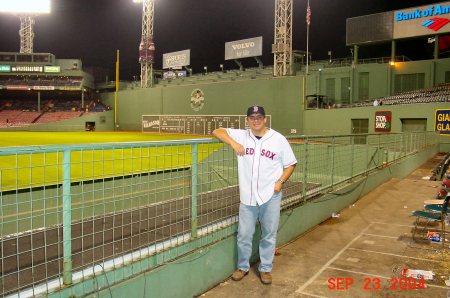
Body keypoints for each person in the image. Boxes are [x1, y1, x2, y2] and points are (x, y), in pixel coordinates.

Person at [212, 105, 297, 285]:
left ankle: (265, 269)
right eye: (252, 117)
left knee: (269, 234)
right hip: (248, 197)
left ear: (265, 119)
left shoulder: (278, 139)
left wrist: (280, 182)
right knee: (244, 234)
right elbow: (217, 131)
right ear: (247, 120)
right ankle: (243, 267)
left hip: (270, 195)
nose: (256, 120)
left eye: (259, 117)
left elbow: (290, 164)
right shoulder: (241, 135)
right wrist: (233, 143)